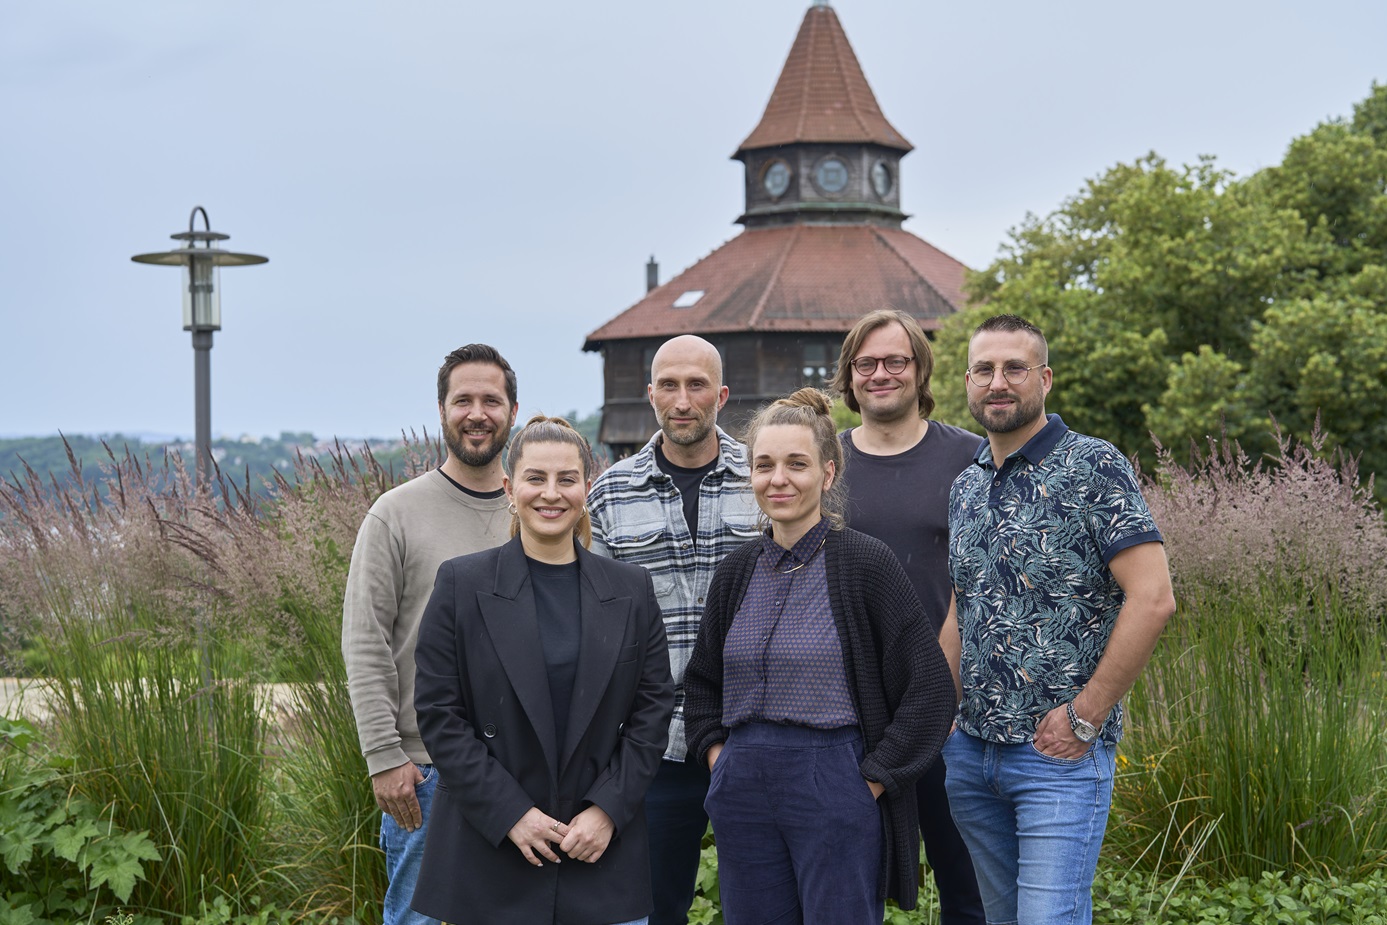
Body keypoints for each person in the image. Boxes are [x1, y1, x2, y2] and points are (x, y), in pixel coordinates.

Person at [684, 388, 957, 924]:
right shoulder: (736, 572)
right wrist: (721, 761)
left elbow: (930, 688)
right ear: (751, 475)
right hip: (743, 787)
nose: (778, 479)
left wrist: (872, 780)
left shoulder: (864, 564)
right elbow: (702, 684)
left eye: (796, 464)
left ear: (828, 474)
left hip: (835, 779)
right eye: (764, 465)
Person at [941, 314, 1176, 925]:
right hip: (971, 756)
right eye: (985, 370)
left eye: (1014, 369)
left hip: (1059, 760)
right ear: (967, 381)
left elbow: (1152, 598)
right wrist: (944, 716)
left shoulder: (1094, 466)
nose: (998, 382)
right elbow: (962, 606)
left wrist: (1086, 715)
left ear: (1044, 378)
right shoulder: (966, 483)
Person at [411, 415, 675, 925]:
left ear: (587, 486)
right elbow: (440, 716)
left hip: (598, 850)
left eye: (566, 479)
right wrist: (511, 813)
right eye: (536, 478)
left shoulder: (631, 590)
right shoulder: (462, 585)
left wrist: (607, 812)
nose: (550, 494)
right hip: (491, 853)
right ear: (510, 487)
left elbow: (652, 711)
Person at [342, 343, 518, 925]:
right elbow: (365, 644)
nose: (477, 413)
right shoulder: (395, 514)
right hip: (424, 773)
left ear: (512, 411)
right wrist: (383, 757)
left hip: (526, 774)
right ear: (440, 410)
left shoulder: (541, 510)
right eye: (462, 399)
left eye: (491, 400)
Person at [587, 334, 759, 925]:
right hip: (653, 745)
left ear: (722, 394)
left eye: (697, 385)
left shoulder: (763, 482)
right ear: (650, 394)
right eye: (669, 385)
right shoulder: (609, 495)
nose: (682, 400)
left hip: (751, 733)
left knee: (762, 904)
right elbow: (598, 629)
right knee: (655, 907)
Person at [831, 309, 987, 925]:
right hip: (853, 715)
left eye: (896, 361)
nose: (880, 374)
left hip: (953, 714)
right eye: (865, 363)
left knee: (966, 888)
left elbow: (989, 582)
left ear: (920, 370)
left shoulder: (971, 459)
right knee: (848, 887)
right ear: (848, 376)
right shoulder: (825, 466)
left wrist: (947, 696)